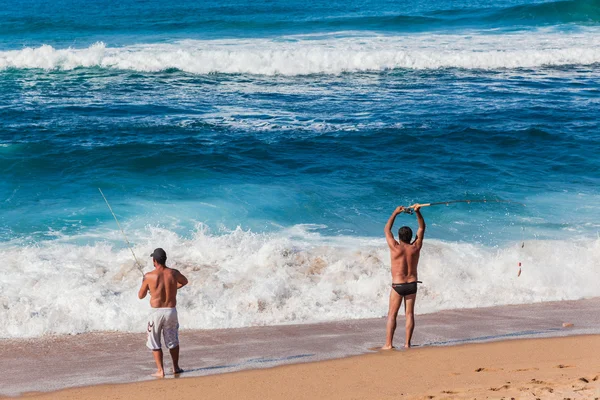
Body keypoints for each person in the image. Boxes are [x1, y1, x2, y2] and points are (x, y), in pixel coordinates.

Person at [138, 248, 188, 377]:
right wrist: (173, 287)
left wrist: (150, 288)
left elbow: (140, 295)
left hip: (156, 313)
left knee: (154, 341)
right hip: (171, 311)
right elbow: (185, 282)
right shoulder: (174, 273)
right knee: (173, 340)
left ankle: (160, 370)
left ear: (154, 260)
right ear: (165, 259)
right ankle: (176, 367)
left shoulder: (149, 276)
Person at [381, 204, 425, 350]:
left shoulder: (395, 247)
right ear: (411, 237)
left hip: (398, 285)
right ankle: (407, 344)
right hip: (412, 284)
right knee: (409, 314)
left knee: (392, 315)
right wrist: (418, 213)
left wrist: (395, 213)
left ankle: (388, 344)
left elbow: (387, 229)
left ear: (399, 237)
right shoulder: (415, 248)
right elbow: (421, 228)